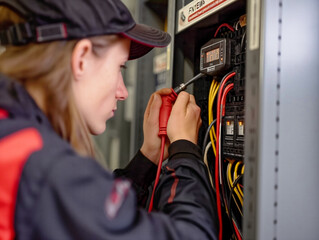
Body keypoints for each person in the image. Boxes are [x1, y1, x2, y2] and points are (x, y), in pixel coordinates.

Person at [0, 0, 218, 239]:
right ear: (81, 58)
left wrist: (147, 159)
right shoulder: (44, 168)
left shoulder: (13, 136)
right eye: (119, 68)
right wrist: (185, 151)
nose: (123, 92)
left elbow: (96, 221)